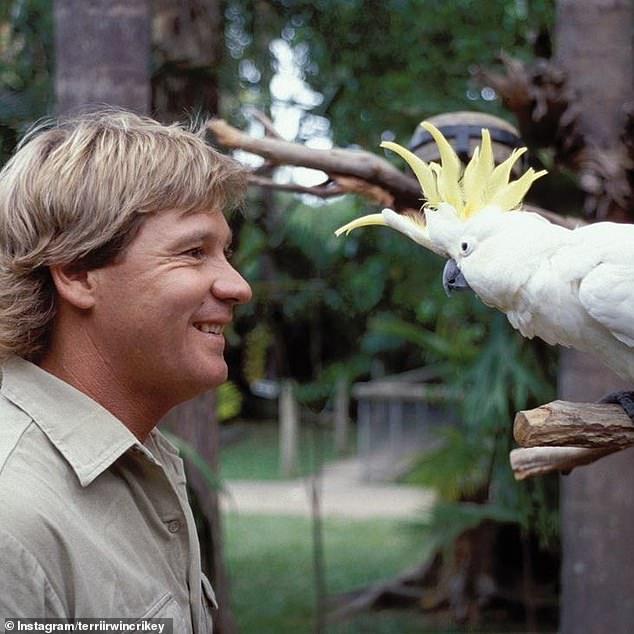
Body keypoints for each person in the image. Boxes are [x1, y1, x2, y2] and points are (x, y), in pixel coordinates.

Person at [0, 109, 252, 630]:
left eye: (223, 252)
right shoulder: (14, 516)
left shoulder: (140, 458)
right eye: (193, 252)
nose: (237, 286)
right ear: (76, 271)